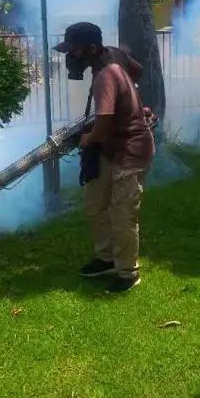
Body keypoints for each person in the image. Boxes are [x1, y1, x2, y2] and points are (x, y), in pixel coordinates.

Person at [53, 22, 155, 294]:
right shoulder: (112, 57)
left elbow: (105, 122)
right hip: (110, 148)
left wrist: (87, 139)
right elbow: (138, 72)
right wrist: (132, 96)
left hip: (130, 151)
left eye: (73, 51)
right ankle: (106, 257)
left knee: (122, 214)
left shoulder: (106, 76)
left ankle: (127, 272)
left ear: (91, 48)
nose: (70, 57)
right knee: (94, 204)